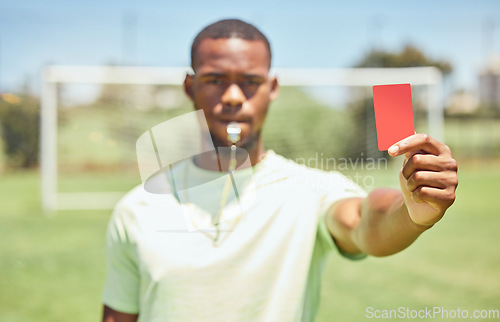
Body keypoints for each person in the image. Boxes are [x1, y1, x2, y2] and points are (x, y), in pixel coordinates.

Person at [102, 19, 458, 322]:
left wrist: (411, 212)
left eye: (250, 81)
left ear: (272, 89)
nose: (232, 96)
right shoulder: (137, 209)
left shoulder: (311, 190)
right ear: (189, 87)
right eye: (214, 80)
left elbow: (366, 220)